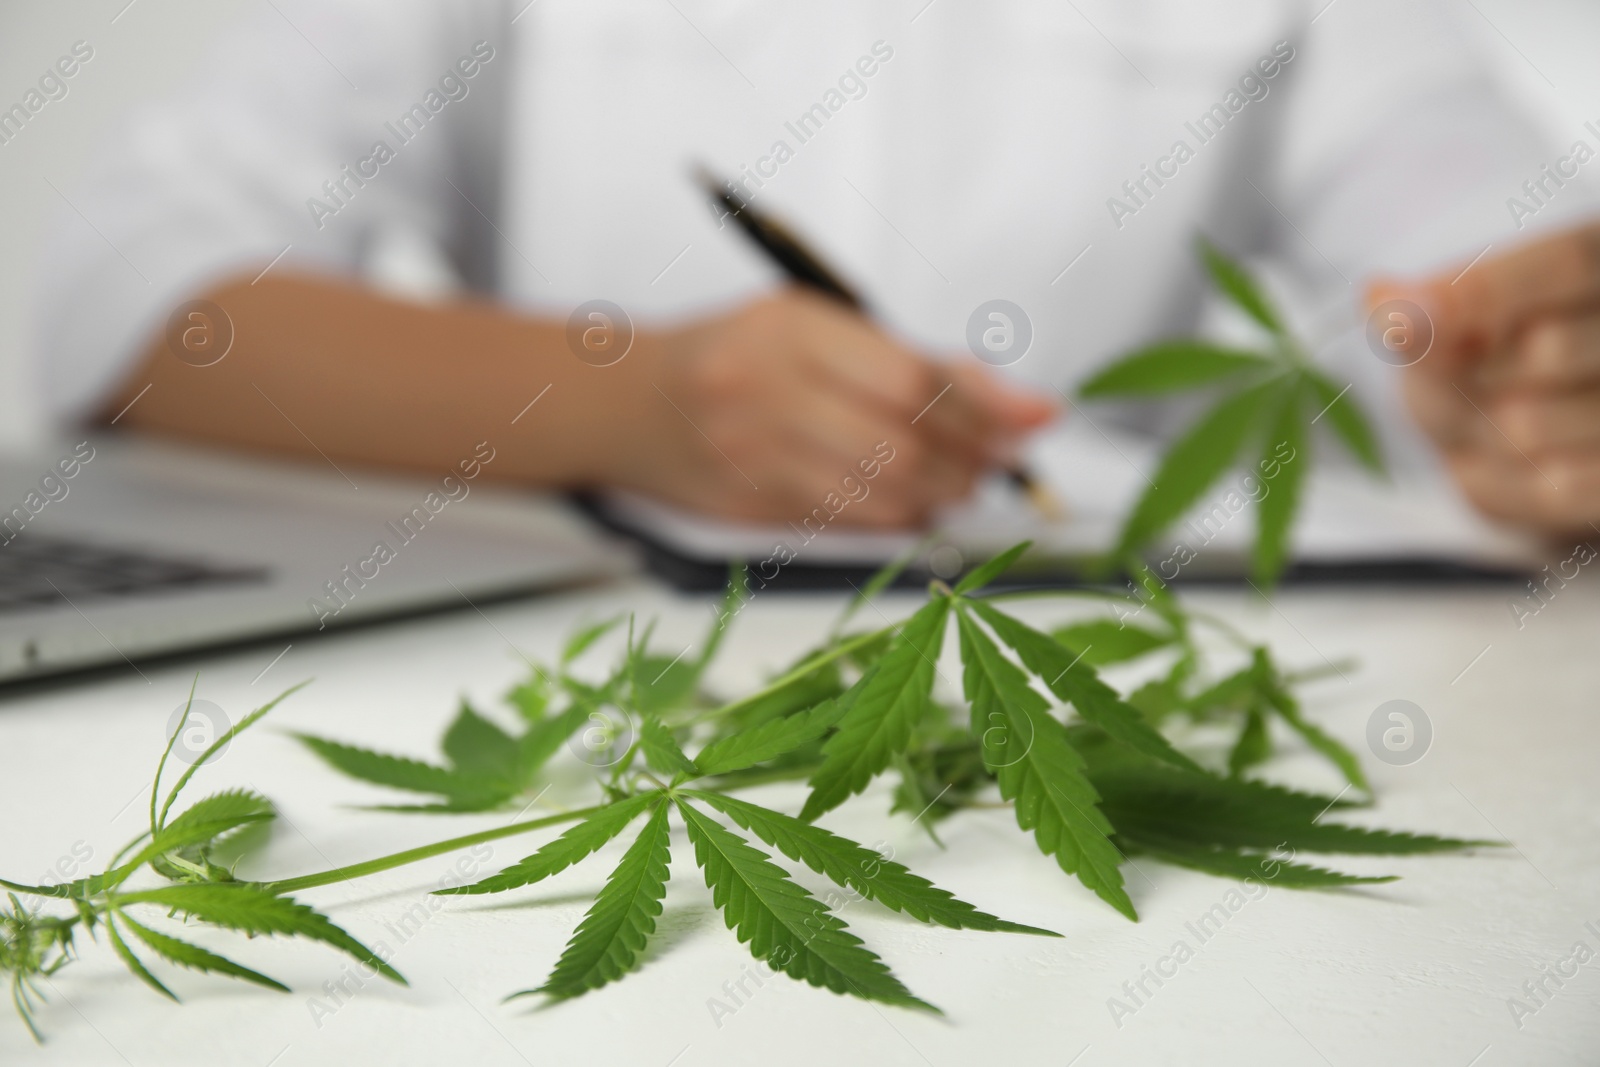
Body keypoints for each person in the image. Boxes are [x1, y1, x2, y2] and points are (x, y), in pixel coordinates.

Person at [34, 0, 1600, 537]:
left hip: (1082, 673)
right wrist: (627, 399)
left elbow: (1496, 247)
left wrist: (1535, 374)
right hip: (606, 690)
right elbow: (128, 302)